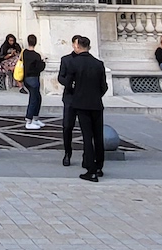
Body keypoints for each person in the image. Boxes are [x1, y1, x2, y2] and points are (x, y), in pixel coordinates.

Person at [59, 36, 108, 182]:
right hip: (96, 104)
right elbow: (103, 87)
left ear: (78, 46)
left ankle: (90, 170)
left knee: (87, 137)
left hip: (81, 104)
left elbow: (68, 82)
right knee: (98, 136)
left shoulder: (74, 63)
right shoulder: (99, 64)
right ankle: (99, 166)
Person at [57, 34, 82, 167]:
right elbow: (60, 77)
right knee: (67, 126)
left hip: (83, 97)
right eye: (76, 44)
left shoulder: (87, 60)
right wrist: (68, 83)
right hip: (70, 97)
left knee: (85, 127)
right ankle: (67, 152)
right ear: (73, 45)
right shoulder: (66, 60)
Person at [21, 34, 47, 130]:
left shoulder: (25, 53)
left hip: (27, 78)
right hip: (33, 79)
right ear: (36, 42)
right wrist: (43, 61)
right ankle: (29, 120)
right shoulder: (36, 55)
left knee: (37, 97)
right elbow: (40, 68)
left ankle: (35, 119)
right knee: (34, 99)